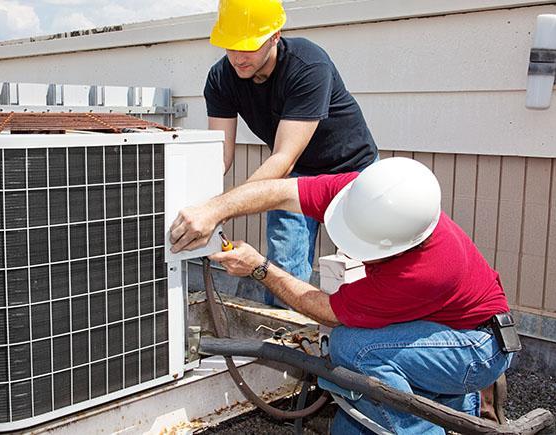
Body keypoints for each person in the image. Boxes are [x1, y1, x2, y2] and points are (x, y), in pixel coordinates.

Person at [169, 158, 514, 434]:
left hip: (477, 349)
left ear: (399, 247)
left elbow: (328, 311)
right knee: (351, 426)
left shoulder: (423, 271)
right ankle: (458, 410)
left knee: (352, 348)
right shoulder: (365, 195)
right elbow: (277, 191)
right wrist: (214, 209)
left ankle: (429, 426)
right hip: (444, 326)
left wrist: (260, 267)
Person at [205, 0, 378, 306]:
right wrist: (199, 201)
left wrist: (221, 208)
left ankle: (355, 343)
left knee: (361, 270)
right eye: (230, 46)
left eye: (248, 46)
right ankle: (286, 344)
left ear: (275, 35)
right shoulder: (221, 78)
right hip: (297, 175)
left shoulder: (308, 65)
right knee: (283, 269)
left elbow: (284, 157)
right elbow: (220, 155)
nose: (238, 57)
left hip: (352, 172)